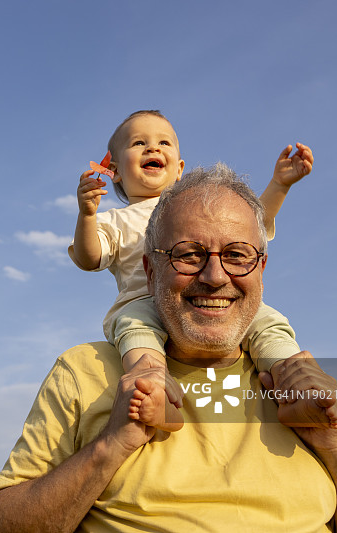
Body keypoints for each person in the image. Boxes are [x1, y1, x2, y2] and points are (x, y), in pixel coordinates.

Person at [0, 164, 337, 532]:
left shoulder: (307, 386)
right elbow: (0, 522)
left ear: (261, 268)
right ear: (149, 269)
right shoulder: (83, 371)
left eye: (237, 255)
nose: (214, 276)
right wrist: (111, 445)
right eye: (188, 255)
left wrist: (336, 451)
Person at [69, 110, 314, 431]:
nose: (152, 149)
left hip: (213, 298)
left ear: (180, 169)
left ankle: (295, 383)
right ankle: (153, 389)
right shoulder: (116, 220)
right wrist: (87, 215)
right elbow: (90, 258)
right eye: (139, 143)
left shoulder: (198, 209)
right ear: (113, 170)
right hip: (145, 303)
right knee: (135, 330)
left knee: (267, 322)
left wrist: (279, 185)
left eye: (163, 142)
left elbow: (249, 224)